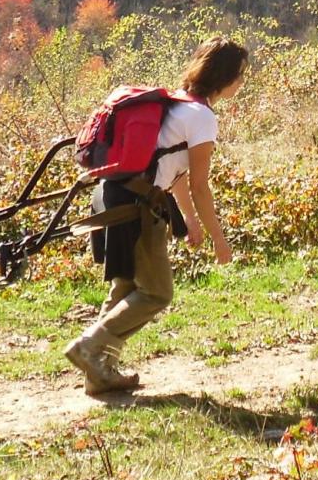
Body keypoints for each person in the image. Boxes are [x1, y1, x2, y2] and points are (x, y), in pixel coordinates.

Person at [64, 38, 246, 394]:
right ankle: (89, 347)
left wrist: (190, 221)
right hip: (137, 205)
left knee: (128, 285)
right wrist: (219, 238)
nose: (241, 82)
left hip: (113, 193)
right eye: (239, 75)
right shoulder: (203, 118)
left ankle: (99, 374)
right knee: (157, 293)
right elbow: (199, 185)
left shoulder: (177, 104)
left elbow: (170, 170)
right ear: (224, 78)